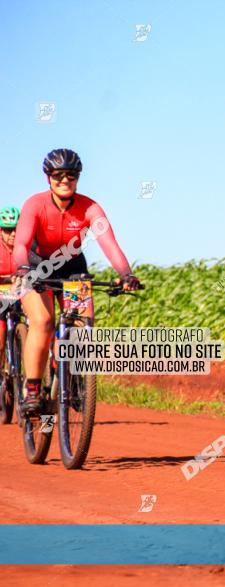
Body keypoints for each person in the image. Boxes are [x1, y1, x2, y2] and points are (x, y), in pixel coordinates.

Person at [14, 148, 141, 415]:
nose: (64, 180)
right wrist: (22, 268)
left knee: (84, 323)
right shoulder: (34, 204)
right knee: (43, 321)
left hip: (73, 269)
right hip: (36, 266)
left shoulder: (90, 207)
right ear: (48, 177)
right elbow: (22, 243)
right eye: (58, 175)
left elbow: (109, 244)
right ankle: (33, 389)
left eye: (70, 175)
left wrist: (125, 274)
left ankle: (73, 380)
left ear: (78, 177)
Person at [0, 207, 20, 371]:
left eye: (16, 229)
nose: (13, 233)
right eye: (8, 230)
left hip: (20, 293)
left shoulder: (27, 246)